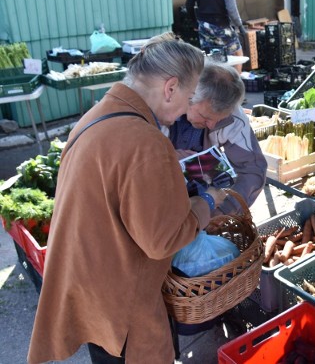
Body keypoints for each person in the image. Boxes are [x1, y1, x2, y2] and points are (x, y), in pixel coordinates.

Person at [27, 33, 227, 364]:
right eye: (189, 96)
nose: (184, 111)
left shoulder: (95, 116)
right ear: (170, 88)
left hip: (89, 289)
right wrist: (207, 200)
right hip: (122, 303)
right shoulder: (145, 141)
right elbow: (163, 240)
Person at [169, 60, 267, 216]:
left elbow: (252, 170)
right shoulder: (161, 106)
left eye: (219, 118)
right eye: (206, 117)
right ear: (189, 97)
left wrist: (222, 212)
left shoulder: (233, 115)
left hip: (201, 189)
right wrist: (167, 156)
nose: (212, 125)